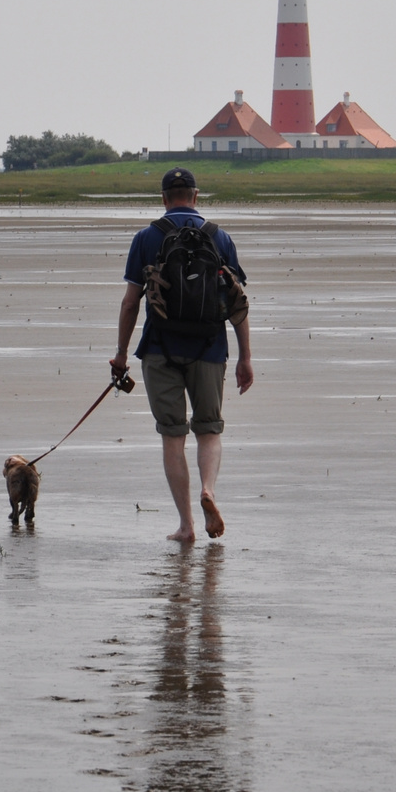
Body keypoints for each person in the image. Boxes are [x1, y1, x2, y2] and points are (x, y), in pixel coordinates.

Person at [111, 167, 253, 543]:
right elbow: (237, 303)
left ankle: (187, 525)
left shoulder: (147, 237)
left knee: (173, 436)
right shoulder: (219, 237)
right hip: (210, 347)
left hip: (160, 349)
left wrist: (122, 355)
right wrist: (245, 358)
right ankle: (208, 488)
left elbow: (130, 304)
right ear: (195, 195)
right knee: (209, 430)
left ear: (163, 198)